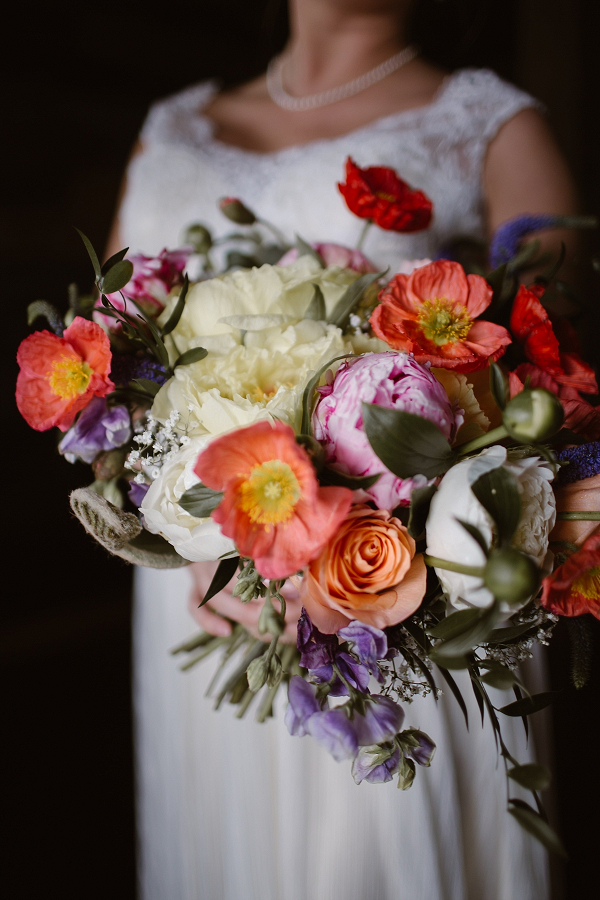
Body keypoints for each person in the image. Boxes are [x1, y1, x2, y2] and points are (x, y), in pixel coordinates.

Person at [107, 1, 577, 897]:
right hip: (196, 581)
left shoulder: (493, 126)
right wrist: (181, 538)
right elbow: (108, 362)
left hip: (386, 603)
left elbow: (557, 394)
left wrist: (346, 540)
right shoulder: (169, 127)